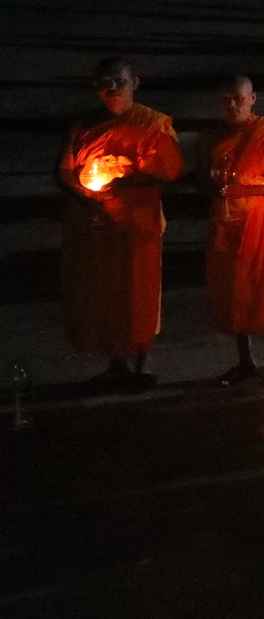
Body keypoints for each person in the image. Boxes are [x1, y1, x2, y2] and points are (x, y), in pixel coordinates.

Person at [58, 57, 184, 389]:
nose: (112, 89)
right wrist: (88, 198)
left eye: (119, 82)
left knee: (139, 289)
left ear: (135, 83)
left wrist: (125, 172)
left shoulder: (154, 124)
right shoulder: (83, 126)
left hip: (139, 222)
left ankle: (143, 361)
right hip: (95, 221)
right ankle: (116, 361)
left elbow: (170, 170)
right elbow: (65, 171)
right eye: (105, 83)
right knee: (105, 292)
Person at [206, 75, 264, 386]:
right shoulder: (217, 137)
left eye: (237, 98)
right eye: (225, 100)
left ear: (252, 98)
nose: (232, 105)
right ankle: (245, 361)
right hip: (225, 222)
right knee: (234, 292)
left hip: (259, 225)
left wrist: (247, 191)